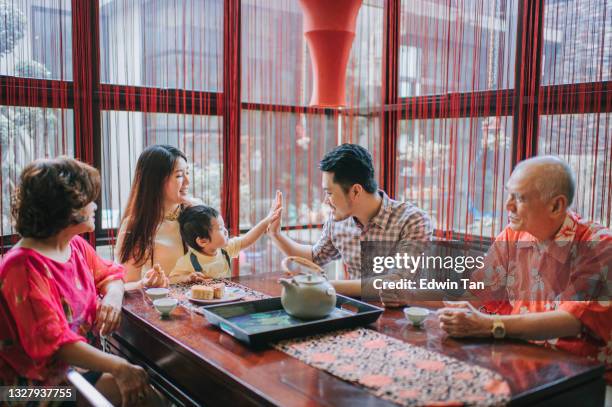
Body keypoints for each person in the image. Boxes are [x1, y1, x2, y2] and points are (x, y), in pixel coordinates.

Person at [435, 156, 611, 383]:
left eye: (519, 198)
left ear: (556, 205)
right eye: (509, 194)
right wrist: (407, 294)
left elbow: (571, 320)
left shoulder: (599, 244)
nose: (508, 205)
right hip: (522, 360)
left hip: (582, 377)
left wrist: (488, 325)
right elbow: (477, 292)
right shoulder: (513, 234)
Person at [0, 157, 154, 406]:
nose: (95, 206)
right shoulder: (22, 267)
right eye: (88, 200)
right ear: (66, 208)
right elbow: (57, 344)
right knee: (146, 397)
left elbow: (111, 276)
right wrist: (118, 366)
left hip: (72, 373)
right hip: (27, 389)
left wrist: (112, 301)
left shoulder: (75, 246)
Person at [268, 143, 432, 296]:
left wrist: (322, 285)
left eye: (330, 193)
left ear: (355, 191)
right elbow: (315, 257)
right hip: (356, 312)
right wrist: (276, 234)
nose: (326, 201)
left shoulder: (412, 220)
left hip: (402, 319)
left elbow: (397, 282)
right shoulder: (338, 220)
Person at [116, 144, 192, 289]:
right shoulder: (136, 225)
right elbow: (125, 286)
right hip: (160, 308)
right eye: (180, 175)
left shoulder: (196, 212)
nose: (187, 181)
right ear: (156, 181)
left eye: (187, 173)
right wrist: (145, 284)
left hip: (203, 306)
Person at [169, 197, 281, 283]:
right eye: (221, 228)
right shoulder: (188, 261)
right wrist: (187, 277)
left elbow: (248, 239)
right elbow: (172, 279)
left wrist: (267, 220)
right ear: (202, 241)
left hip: (226, 297)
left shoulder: (225, 249)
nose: (226, 231)